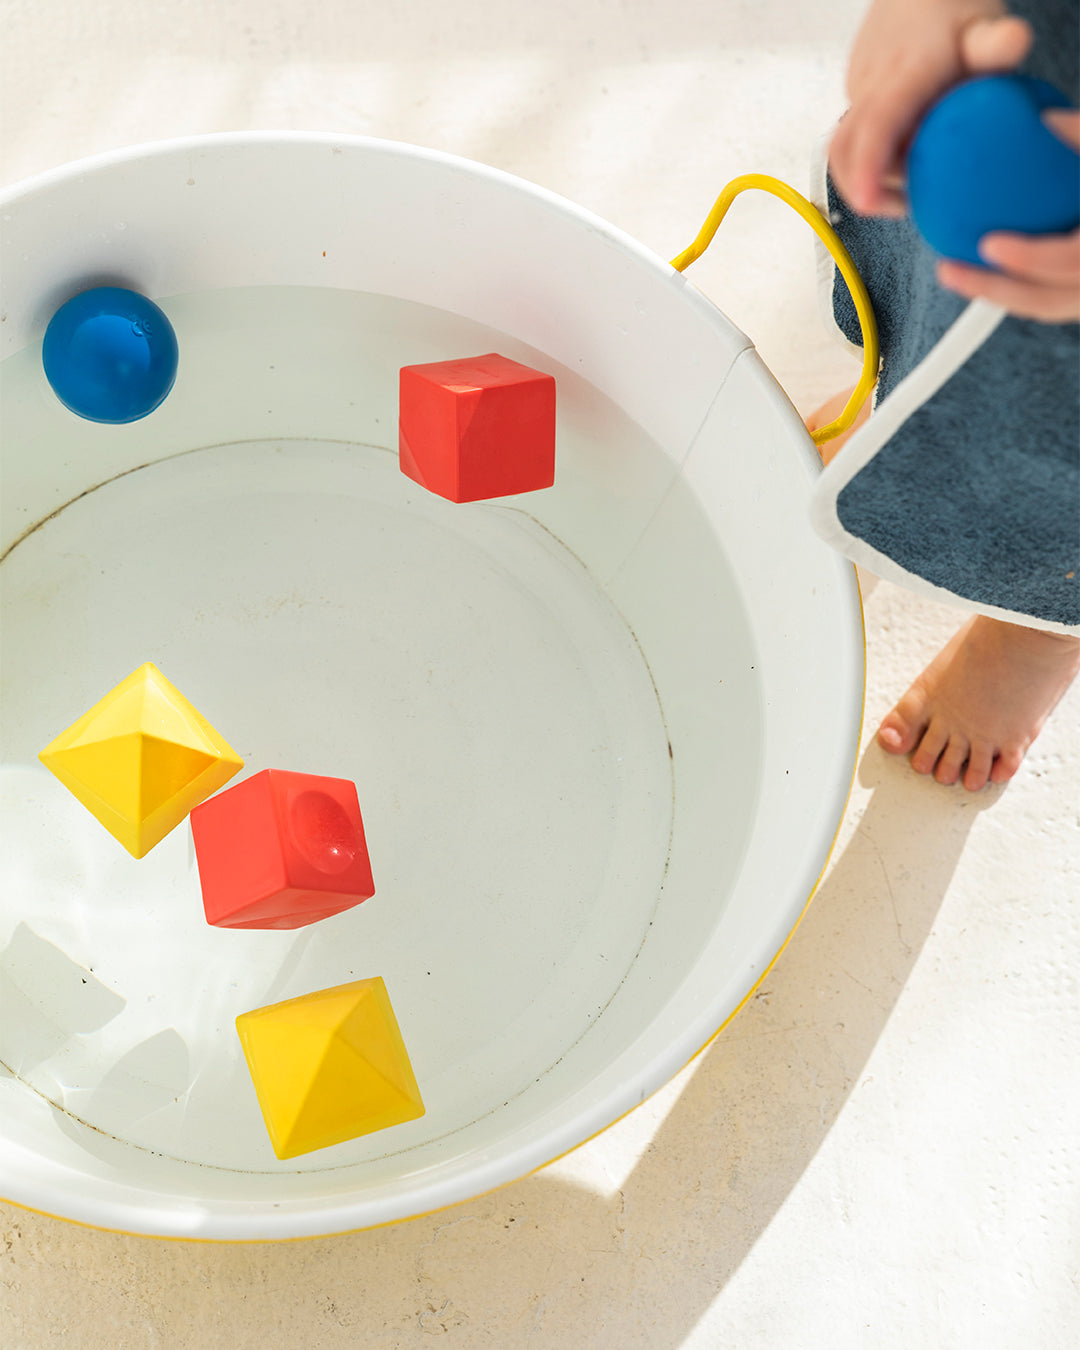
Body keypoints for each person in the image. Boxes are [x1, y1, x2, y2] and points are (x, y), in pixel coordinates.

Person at [810, 0, 1080, 792]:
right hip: (1022, 62)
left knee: (1061, 484)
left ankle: (1042, 625)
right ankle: (895, 401)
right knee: (935, 314)